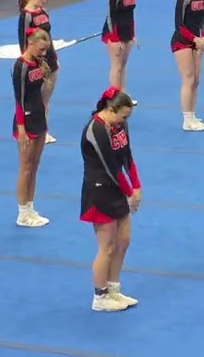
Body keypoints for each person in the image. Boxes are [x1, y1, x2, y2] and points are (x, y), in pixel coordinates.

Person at [80, 86, 142, 311]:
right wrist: (130, 192)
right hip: (100, 190)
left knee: (123, 241)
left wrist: (137, 185)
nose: (125, 120)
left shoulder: (119, 124)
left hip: (117, 187)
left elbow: (127, 157)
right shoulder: (96, 130)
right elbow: (110, 167)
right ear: (110, 109)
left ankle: (113, 289)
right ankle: (100, 296)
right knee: (106, 246)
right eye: (123, 115)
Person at [13, 29, 53, 227]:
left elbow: (41, 92)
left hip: (39, 117)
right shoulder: (20, 66)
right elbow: (19, 100)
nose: (43, 53)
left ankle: (30, 207)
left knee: (34, 168)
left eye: (46, 50)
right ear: (30, 43)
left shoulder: (38, 62)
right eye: (41, 49)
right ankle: (22, 212)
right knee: (25, 168)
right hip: (26, 121)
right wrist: (21, 129)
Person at [18, 0, 59, 143]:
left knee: (45, 99)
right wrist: (28, 63)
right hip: (36, 61)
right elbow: (23, 41)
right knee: (37, 99)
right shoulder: (26, 15)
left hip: (49, 58)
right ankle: (35, 129)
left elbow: (49, 36)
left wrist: (54, 57)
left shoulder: (44, 11)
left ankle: (44, 129)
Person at [173, 0, 204, 132]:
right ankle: (186, 119)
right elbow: (179, 25)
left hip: (197, 41)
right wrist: (195, 39)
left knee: (196, 80)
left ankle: (192, 115)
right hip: (182, 41)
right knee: (188, 78)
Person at [102, 0, 138, 90]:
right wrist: (114, 38)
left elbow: (131, 14)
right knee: (116, 65)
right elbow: (111, 16)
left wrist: (133, 34)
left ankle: (122, 94)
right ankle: (114, 96)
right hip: (114, 33)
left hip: (126, 32)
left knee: (123, 65)